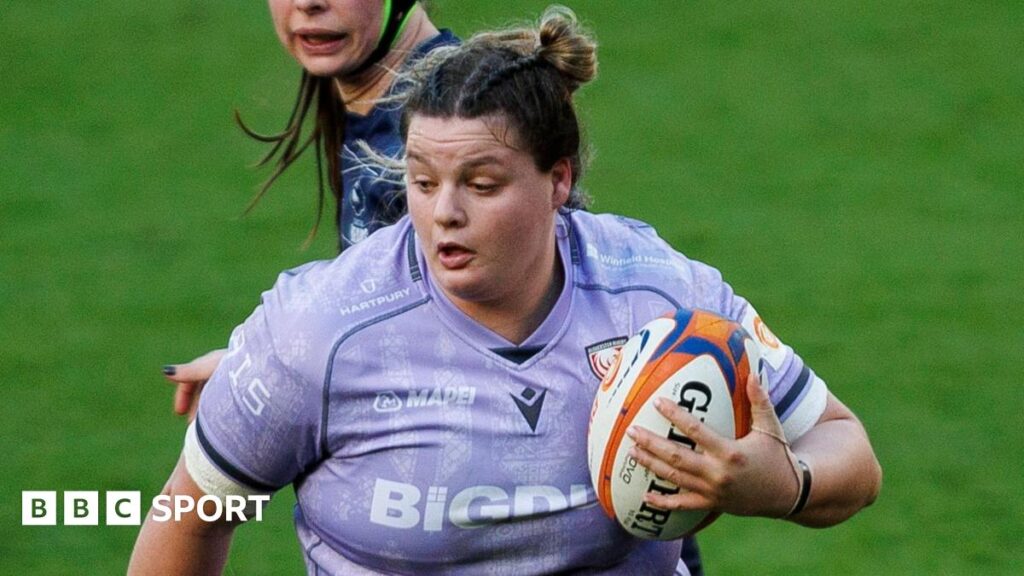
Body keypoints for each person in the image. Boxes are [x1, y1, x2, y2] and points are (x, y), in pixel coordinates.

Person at [134, 7, 881, 575]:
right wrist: (274, 370)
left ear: (559, 181)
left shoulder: (658, 294)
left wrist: (782, 486)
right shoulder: (317, 330)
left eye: (482, 184)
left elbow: (850, 453)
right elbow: (191, 515)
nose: (443, 212)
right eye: (420, 181)